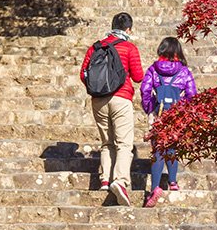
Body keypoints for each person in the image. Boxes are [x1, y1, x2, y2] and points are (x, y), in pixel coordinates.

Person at [79, 12, 144, 206]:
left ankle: (105, 180)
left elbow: (84, 74)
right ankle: (120, 181)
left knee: (107, 142)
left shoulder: (96, 47)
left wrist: (100, 89)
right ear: (128, 29)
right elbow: (139, 76)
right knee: (124, 143)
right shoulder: (129, 48)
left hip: (98, 100)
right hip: (121, 98)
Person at [140, 37, 198, 208]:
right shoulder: (184, 71)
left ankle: (155, 187)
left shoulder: (153, 69)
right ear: (177, 52)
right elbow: (192, 95)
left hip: (159, 113)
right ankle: (173, 182)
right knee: (172, 145)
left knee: (158, 149)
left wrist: (150, 108)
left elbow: (145, 90)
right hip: (176, 115)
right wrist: (183, 109)